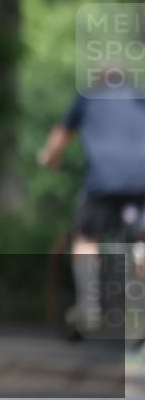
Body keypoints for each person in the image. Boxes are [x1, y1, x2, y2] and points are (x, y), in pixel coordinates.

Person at [38, 64, 145, 332]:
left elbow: (58, 140)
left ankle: (89, 308)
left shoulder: (87, 98)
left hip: (103, 181)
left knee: (86, 237)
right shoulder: (138, 97)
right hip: (141, 181)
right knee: (141, 238)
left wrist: (49, 160)